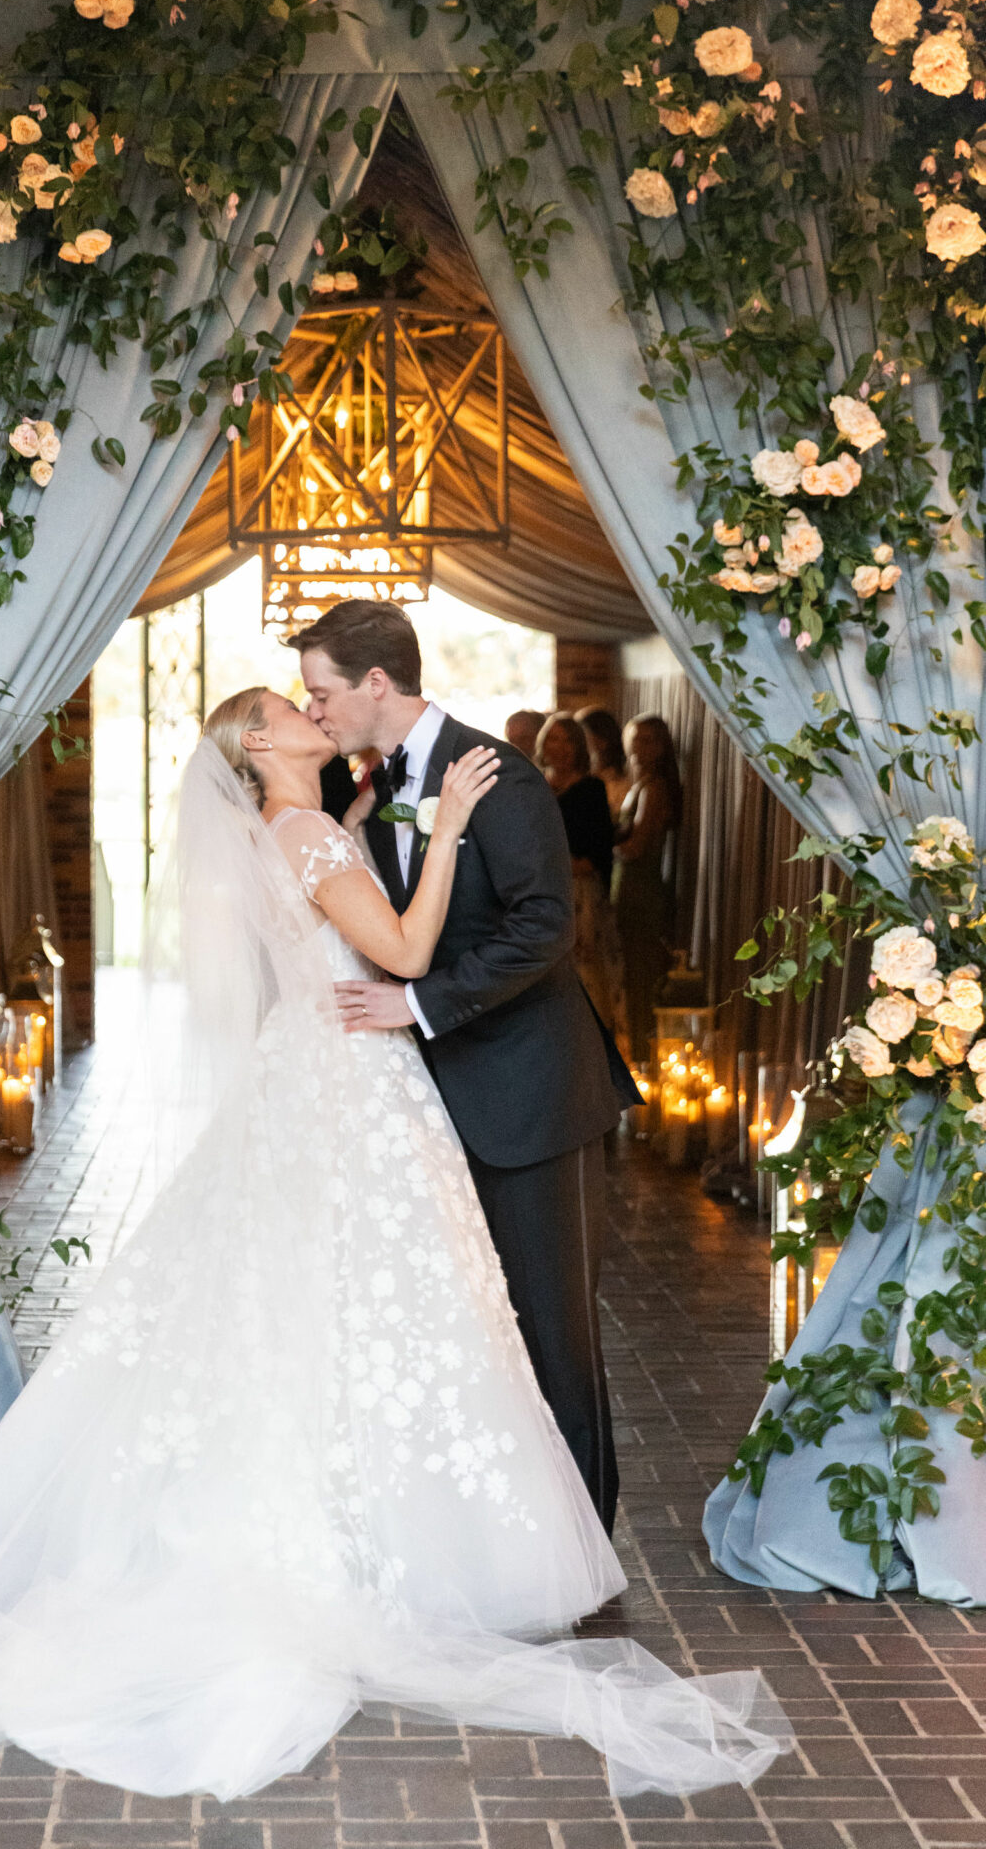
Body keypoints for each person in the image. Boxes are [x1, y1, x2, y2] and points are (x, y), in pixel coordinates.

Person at [0, 686, 790, 1805]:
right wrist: (442, 833)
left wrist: (377, 811)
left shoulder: (295, 828)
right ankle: (381, 1539)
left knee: (325, 1302)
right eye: (283, 706)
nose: (306, 707)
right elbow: (400, 945)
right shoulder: (298, 833)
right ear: (256, 746)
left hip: (317, 1080)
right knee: (381, 1301)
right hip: (353, 1085)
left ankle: (349, 1515)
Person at [291, 601, 637, 1535]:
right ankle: (510, 1535)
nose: (310, 708)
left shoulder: (499, 777)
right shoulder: (364, 787)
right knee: (481, 1331)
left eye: (320, 690)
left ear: (374, 683)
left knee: (554, 1331)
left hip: (533, 1098)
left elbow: (543, 928)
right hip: (438, 1104)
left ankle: (586, 1542)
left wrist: (416, 1005)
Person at [535, 712, 625, 1039]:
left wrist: (557, 865)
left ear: (576, 747)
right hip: (543, 888)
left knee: (587, 967)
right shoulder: (533, 785)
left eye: (565, 739)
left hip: (579, 890)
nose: (557, 746)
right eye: (552, 738)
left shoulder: (590, 788)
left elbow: (600, 850)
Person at [612, 714, 683, 1062]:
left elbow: (636, 846)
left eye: (650, 740)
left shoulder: (654, 787)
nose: (641, 748)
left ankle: (643, 1061)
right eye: (635, 739)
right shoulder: (638, 784)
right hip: (628, 891)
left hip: (643, 894)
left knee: (640, 980)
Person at [576, 706, 631, 821]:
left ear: (602, 741)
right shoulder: (578, 777)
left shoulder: (618, 785)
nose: (576, 744)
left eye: (581, 737)